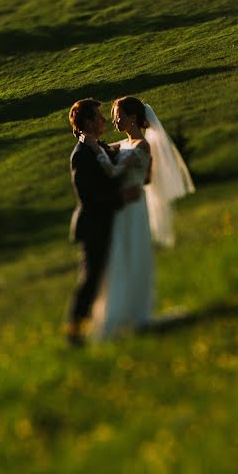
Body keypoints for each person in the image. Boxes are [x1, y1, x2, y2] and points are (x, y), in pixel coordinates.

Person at [82, 96, 195, 340]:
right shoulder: (123, 144)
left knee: (133, 251)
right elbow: (145, 178)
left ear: (133, 117)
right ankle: (118, 309)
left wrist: (94, 150)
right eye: (113, 116)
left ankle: (135, 311)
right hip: (124, 204)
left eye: (118, 115)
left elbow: (113, 171)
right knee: (119, 254)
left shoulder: (142, 146)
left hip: (133, 208)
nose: (114, 120)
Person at [65, 98, 139, 345]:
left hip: (106, 222)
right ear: (87, 122)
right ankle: (74, 331)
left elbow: (112, 154)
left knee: (107, 275)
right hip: (93, 225)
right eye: (98, 116)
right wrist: (120, 197)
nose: (104, 120)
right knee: (91, 277)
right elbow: (90, 197)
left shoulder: (96, 146)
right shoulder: (81, 156)